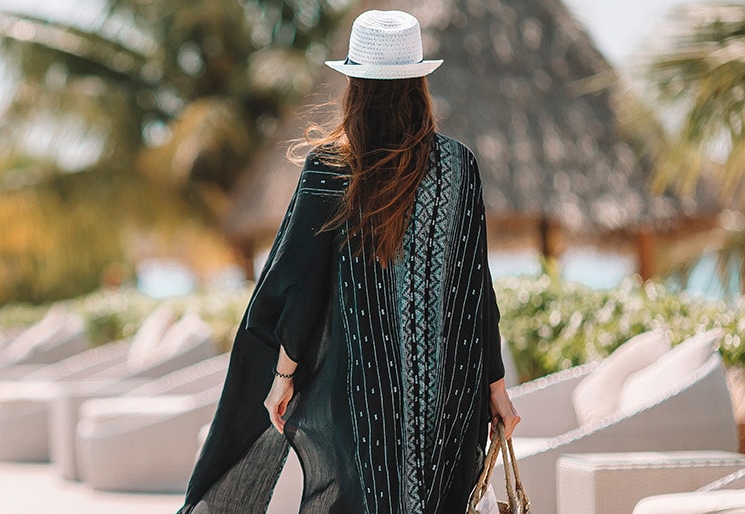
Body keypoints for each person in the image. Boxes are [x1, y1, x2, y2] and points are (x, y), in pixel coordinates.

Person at [179, 10, 521, 514]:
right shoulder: (458, 167)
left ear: (354, 86)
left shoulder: (333, 166)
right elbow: (475, 294)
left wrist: (282, 376)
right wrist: (496, 390)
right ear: (419, 83)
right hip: (451, 393)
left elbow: (299, 282)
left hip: (364, 391)